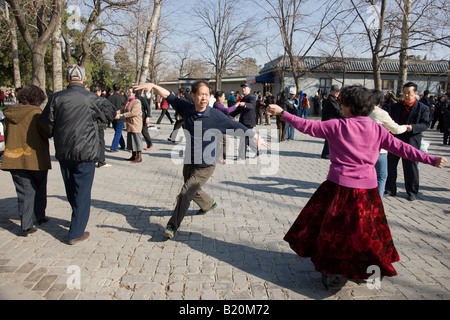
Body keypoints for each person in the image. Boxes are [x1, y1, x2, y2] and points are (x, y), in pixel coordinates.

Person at [266, 85, 447, 289]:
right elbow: (403, 149)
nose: (340, 105)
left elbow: (306, 126)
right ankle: (367, 268)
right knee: (365, 232)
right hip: (366, 193)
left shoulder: (337, 125)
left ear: (349, 106)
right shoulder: (377, 129)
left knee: (334, 232)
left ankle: (331, 270)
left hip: (337, 188)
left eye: (342, 102)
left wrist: (283, 112)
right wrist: (430, 159)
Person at [133, 80, 269, 240]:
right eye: (200, 94)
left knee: (185, 192)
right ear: (193, 96)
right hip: (190, 160)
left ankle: (172, 226)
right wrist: (154, 86)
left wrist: (256, 137)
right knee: (192, 189)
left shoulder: (215, 115)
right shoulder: (187, 108)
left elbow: (237, 127)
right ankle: (208, 204)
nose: (204, 98)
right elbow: (169, 96)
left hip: (206, 164)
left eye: (207, 94)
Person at [39, 65, 116, 245]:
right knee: (82, 190)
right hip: (86, 151)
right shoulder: (91, 98)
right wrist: (100, 120)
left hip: (64, 150)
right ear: (83, 80)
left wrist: (52, 133)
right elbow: (110, 112)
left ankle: (77, 218)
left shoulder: (56, 98)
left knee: (71, 187)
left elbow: (46, 124)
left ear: (67, 79)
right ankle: (76, 232)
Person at [1, 85, 51, 236]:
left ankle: (26, 224)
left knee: (24, 192)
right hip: (35, 157)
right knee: (40, 187)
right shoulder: (36, 113)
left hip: (15, 157)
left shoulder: (10, 114)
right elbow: (46, 132)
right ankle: (40, 216)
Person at [385, 82, 431, 201]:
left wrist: (412, 127)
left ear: (415, 93)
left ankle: (412, 191)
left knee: (410, 166)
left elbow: (425, 124)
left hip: (411, 140)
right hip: (395, 139)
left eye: (409, 93)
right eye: (404, 93)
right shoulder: (395, 106)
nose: (406, 95)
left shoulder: (423, 108)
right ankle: (390, 189)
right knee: (391, 164)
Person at [369, 90, 408, 198]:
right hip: (379, 151)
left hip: (361, 151)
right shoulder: (380, 113)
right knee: (381, 177)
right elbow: (396, 129)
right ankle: (377, 201)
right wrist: (406, 127)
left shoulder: (360, 112)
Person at [229, 83, 257, 159]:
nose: (243, 89)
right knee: (247, 139)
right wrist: (230, 115)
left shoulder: (252, 97)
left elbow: (251, 106)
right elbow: (238, 110)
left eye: (245, 87)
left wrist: (244, 104)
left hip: (249, 122)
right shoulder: (243, 98)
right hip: (243, 122)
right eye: (243, 88)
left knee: (244, 139)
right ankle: (258, 151)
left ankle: (241, 156)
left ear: (250, 89)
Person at [116, 88, 143, 163]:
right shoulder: (128, 101)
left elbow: (133, 112)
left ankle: (139, 157)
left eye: (130, 92)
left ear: (134, 93)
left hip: (135, 124)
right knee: (131, 140)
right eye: (128, 91)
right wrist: (116, 113)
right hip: (130, 124)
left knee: (136, 140)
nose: (128, 93)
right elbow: (123, 110)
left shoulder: (137, 102)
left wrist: (122, 115)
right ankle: (133, 156)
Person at [90, 83, 111, 168]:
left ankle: (94, 159)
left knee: (92, 142)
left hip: (90, 124)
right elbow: (104, 112)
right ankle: (101, 161)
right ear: (98, 91)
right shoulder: (100, 100)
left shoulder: (88, 99)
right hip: (99, 124)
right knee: (101, 142)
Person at [320, 84, 344, 159]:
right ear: (331, 91)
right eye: (336, 91)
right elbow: (337, 111)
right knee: (329, 139)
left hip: (331, 121)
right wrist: (346, 117)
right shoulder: (331, 100)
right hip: (329, 122)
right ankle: (326, 154)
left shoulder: (333, 99)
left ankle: (327, 153)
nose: (337, 93)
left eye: (338, 91)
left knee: (330, 139)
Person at [213, 91, 237, 163]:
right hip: (218, 126)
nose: (224, 98)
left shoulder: (219, 104)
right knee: (222, 141)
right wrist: (236, 105)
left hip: (221, 125)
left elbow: (223, 114)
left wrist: (229, 117)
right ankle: (219, 157)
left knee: (224, 141)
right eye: (223, 96)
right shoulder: (217, 105)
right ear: (219, 97)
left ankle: (222, 156)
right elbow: (227, 110)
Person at [108, 83, 127, 152]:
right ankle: (114, 147)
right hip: (120, 116)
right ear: (120, 89)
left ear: (113, 89)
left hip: (113, 116)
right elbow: (125, 106)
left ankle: (122, 144)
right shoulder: (122, 98)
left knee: (117, 131)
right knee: (118, 132)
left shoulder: (110, 98)